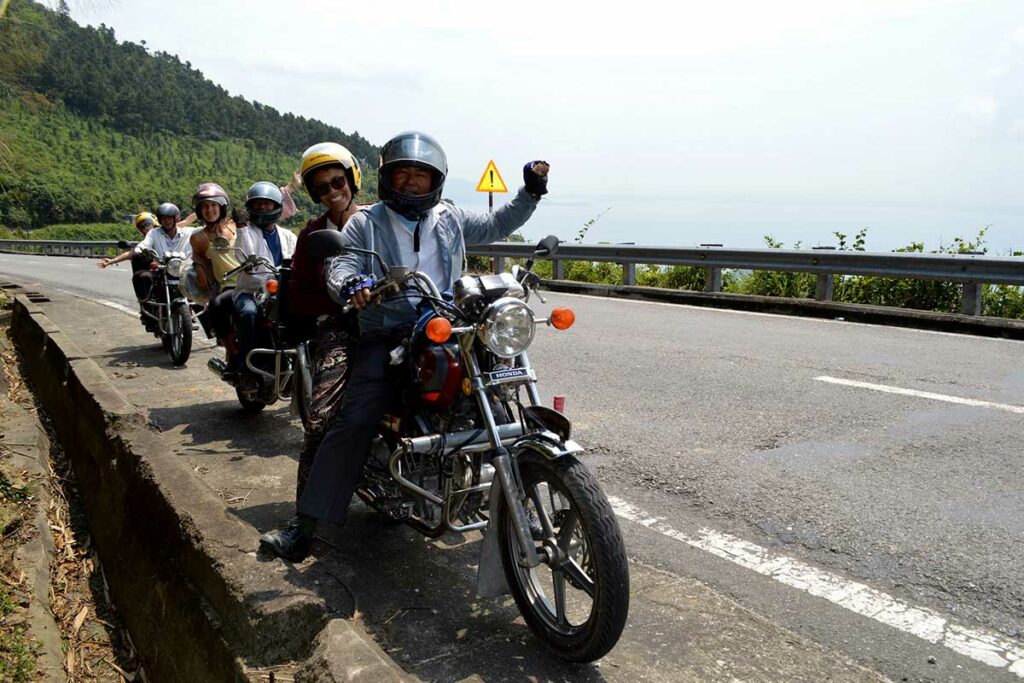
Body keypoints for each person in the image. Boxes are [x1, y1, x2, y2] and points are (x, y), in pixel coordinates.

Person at [259, 130, 549, 561]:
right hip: (388, 333)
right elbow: (342, 265)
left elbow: (495, 224)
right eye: (403, 174)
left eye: (421, 175)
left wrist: (529, 192)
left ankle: (516, 498)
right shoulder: (365, 222)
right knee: (353, 419)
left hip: (448, 326)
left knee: (500, 396)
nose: (412, 183)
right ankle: (305, 525)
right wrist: (354, 284)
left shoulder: (448, 218)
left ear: (436, 182)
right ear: (386, 178)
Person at [259, 143, 362, 550]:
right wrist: (343, 299)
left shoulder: (378, 219)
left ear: (352, 179)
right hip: (342, 328)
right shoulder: (313, 234)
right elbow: (299, 295)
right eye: (321, 188)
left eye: (337, 181)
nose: (332, 191)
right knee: (320, 419)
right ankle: (303, 525)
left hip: (400, 321)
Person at [232, 181, 298, 377]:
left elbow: (297, 260)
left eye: (266, 204)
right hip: (250, 292)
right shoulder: (247, 232)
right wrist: (242, 227)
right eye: (257, 204)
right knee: (249, 314)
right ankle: (246, 367)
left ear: (276, 207)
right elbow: (243, 256)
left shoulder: (288, 235)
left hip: (280, 292)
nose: (261, 207)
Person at [98, 208, 196, 311]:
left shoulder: (173, 228)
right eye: (141, 226)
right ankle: (146, 306)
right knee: (143, 276)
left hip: (176, 266)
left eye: (147, 223)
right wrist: (112, 261)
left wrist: (201, 209)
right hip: (159, 270)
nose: (145, 227)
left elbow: (187, 221)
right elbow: (132, 252)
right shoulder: (151, 237)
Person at [188, 183, 242, 364]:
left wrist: (290, 187)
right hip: (231, 285)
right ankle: (232, 351)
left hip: (257, 279)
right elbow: (198, 255)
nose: (210, 210)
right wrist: (199, 266)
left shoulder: (238, 224)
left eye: (213, 205)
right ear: (199, 211)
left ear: (222, 206)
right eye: (205, 206)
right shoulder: (199, 238)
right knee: (215, 306)